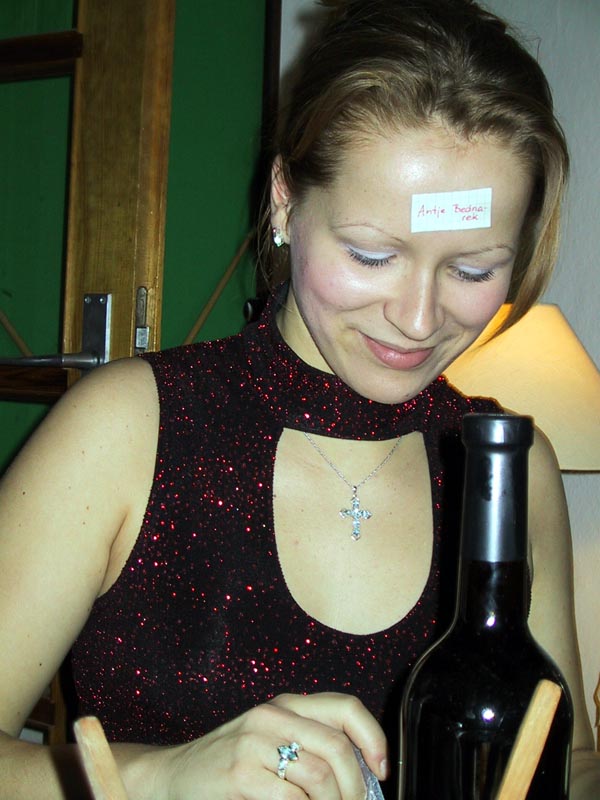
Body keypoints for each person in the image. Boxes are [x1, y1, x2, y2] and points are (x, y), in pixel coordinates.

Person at [0, 0, 598, 797]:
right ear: (286, 198)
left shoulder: (507, 468)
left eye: (472, 269)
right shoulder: (123, 430)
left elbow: (570, 758)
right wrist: (164, 778)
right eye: (372, 254)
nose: (418, 319)